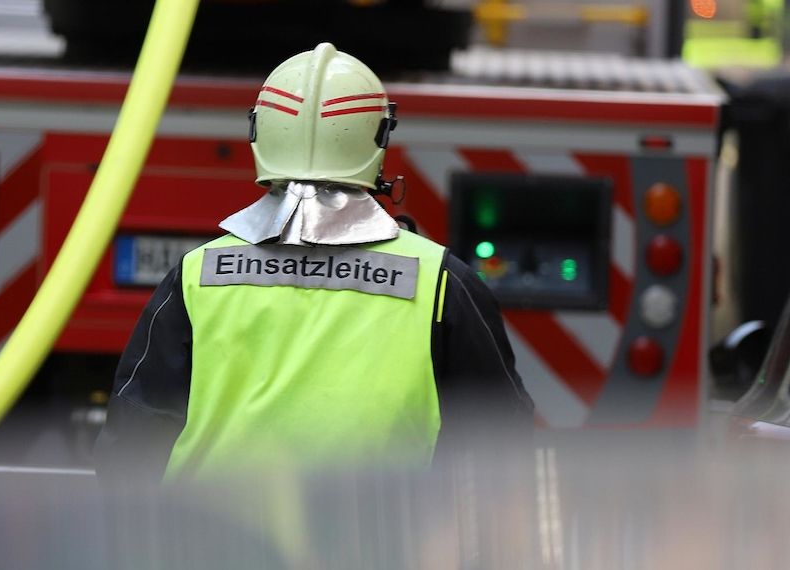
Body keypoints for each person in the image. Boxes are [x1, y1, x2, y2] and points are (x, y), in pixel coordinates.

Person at [94, 43, 533, 484]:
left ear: (259, 133)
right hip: (379, 548)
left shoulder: (198, 274)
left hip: (212, 546)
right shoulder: (439, 282)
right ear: (378, 136)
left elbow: (131, 445)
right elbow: (500, 448)